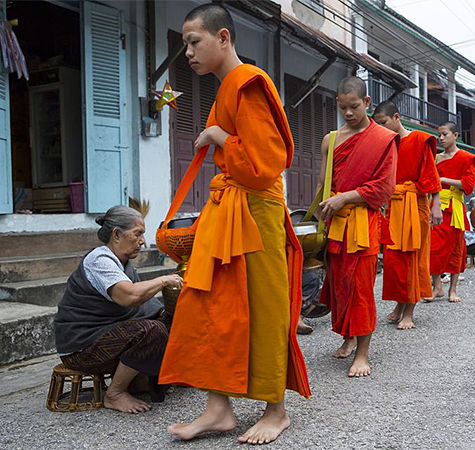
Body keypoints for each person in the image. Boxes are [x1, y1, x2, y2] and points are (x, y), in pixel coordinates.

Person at [158, 5, 310, 445]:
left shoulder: (248, 83)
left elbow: (265, 165)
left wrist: (218, 137)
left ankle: (275, 410)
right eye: (185, 43)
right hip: (229, 212)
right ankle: (219, 407)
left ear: (223, 38)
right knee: (210, 305)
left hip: (256, 213)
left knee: (263, 306)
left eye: (194, 41)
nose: (186, 52)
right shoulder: (227, 87)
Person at [54, 205, 183, 414]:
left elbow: (146, 307)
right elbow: (129, 296)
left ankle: (140, 381)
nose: (142, 241)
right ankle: (114, 394)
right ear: (116, 234)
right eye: (137, 234)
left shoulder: (123, 264)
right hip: (82, 347)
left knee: (171, 322)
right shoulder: (99, 260)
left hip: (107, 335)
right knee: (151, 331)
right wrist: (163, 280)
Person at [317, 76, 397, 377]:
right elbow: (325, 184)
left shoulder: (382, 139)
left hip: (362, 222)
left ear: (367, 103)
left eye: (354, 107)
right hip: (335, 222)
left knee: (361, 286)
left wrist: (346, 198)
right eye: (342, 108)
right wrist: (317, 216)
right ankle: (348, 337)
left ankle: (363, 353)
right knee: (339, 285)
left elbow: (384, 188)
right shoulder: (331, 139)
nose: (348, 114)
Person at [373, 100, 442, 330]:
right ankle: (399, 304)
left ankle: (409, 311)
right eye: (377, 124)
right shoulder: (386, 144)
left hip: (415, 204)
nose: (380, 128)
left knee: (413, 257)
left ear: (396, 117)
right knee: (394, 259)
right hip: (394, 205)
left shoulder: (419, 139)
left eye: (383, 123)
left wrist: (436, 204)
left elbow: (431, 175)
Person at [428, 121, 475, 302]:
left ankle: (453, 289)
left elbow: (468, 186)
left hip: (455, 206)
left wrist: (443, 179)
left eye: (445, 134)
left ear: (455, 135)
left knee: (456, 248)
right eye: (439, 135)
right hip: (436, 205)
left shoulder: (466, 158)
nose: (441, 138)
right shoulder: (436, 158)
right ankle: (437, 287)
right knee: (433, 248)